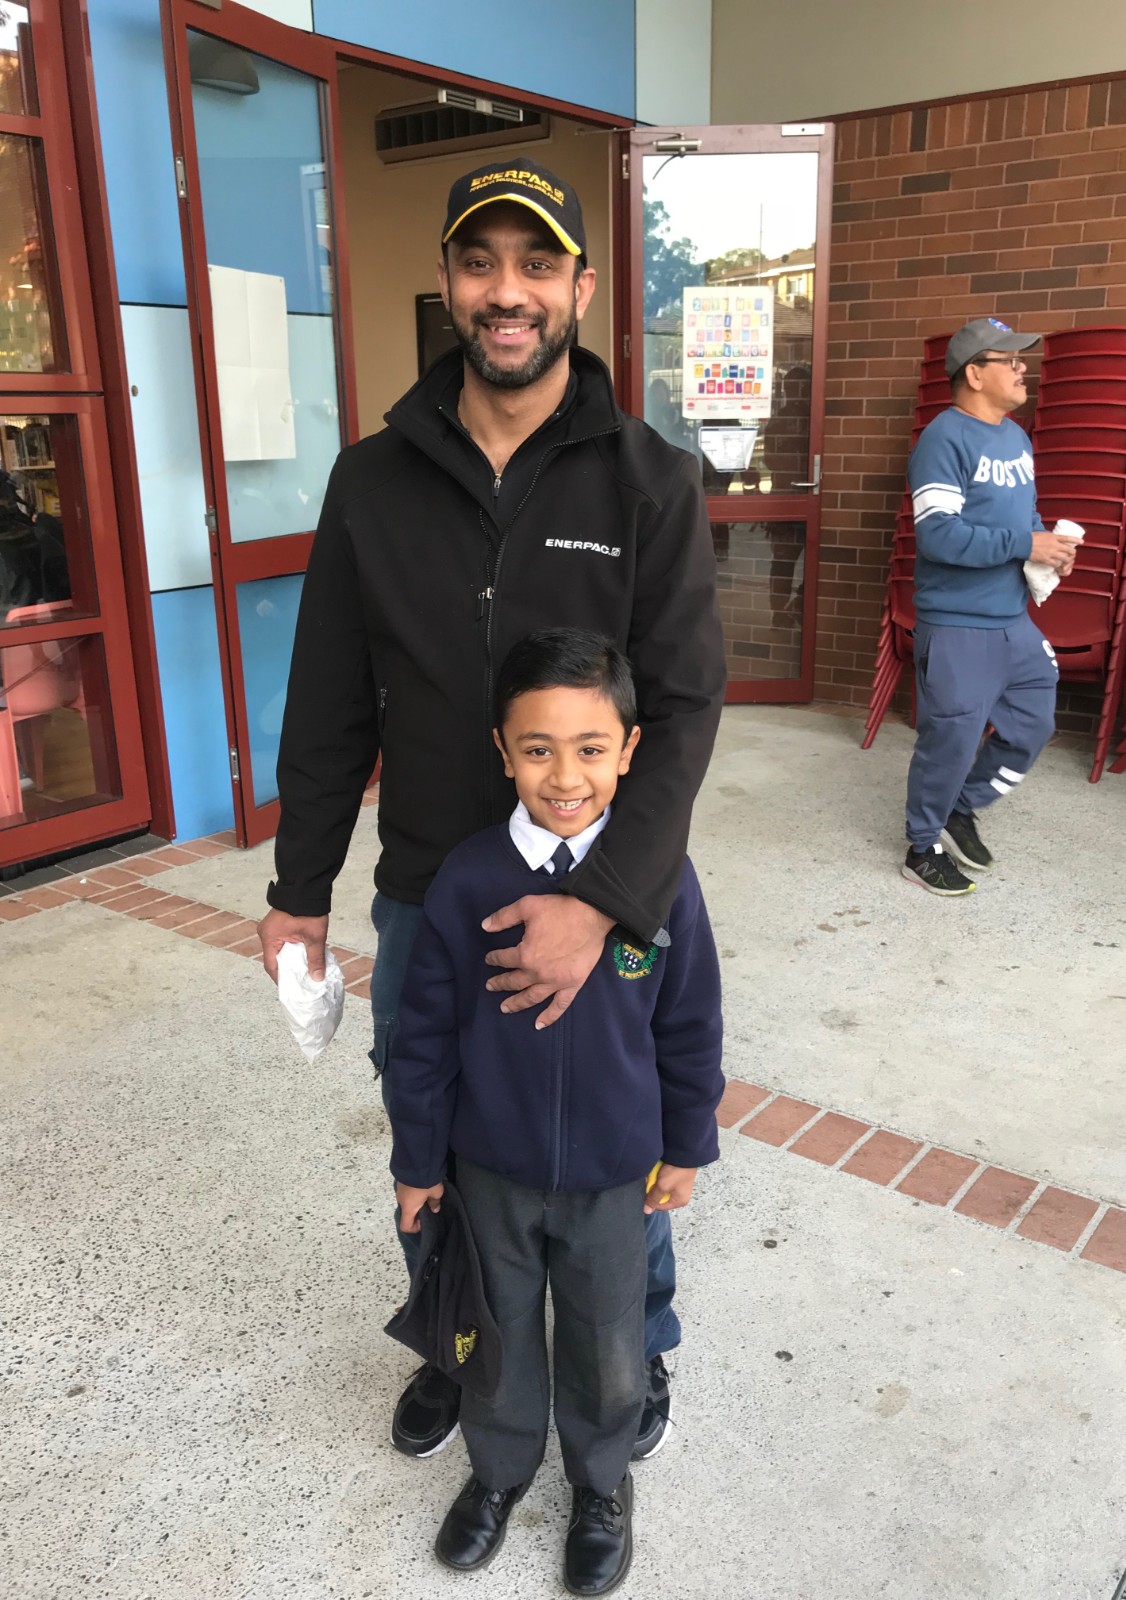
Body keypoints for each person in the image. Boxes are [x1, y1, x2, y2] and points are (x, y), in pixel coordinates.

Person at [255, 160, 726, 1456]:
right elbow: (329, 703)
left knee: (620, 1129)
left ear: (581, 286)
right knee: (436, 1125)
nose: (506, 291)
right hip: (429, 893)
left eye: (536, 263)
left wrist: (603, 902)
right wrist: (299, 890)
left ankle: (636, 1345)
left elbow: (684, 713)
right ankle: (453, 1339)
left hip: (602, 889)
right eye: (480, 262)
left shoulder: (650, 482)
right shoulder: (372, 481)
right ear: (449, 283)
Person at [383, 628, 724, 1594]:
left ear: (630, 749)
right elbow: (423, 1037)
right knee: (495, 1341)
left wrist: (686, 1146)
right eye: (537, 748)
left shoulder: (660, 881)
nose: (564, 775)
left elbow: (691, 1023)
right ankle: (497, 1475)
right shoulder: (467, 879)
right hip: (490, 1172)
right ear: (502, 752)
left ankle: (601, 1487)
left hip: (615, 1177)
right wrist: (418, 1162)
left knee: (609, 1349)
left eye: (589, 747)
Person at [902, 316, 1079, 896]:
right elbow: (939, 536)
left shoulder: (1016, 438)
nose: (1024, 369)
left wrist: (1048, 551)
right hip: (956, 626)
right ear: (975, 374)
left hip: (1013, 621)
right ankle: (922, 847)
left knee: (1033, 723)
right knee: (949, 743)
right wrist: (1025, 543)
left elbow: (1026, 516)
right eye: (1012, 360)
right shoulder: (943, 438)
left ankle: (962, 806)